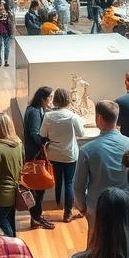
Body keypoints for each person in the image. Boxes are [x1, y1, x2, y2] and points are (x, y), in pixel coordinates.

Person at [74, 101, 129, 230]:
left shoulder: (87, 149)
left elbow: (79, 184)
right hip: (127, 204)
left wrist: (82, 206)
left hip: (97, 206)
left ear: (99, 118)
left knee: (97, 244)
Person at [40, 87, 85, 222]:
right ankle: (67, 213)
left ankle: (57, 200)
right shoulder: (72, 116)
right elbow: (81, 133)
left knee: (58, 179)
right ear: (68, 100)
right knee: (69, 182)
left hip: (54, 153)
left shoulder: (48, 115)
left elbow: (42, 134)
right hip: (70, 154)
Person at [23, 86, 56, 230]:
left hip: (35, 154)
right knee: (37, 186)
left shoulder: (36, 110)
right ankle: (35, 217)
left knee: (38, 186)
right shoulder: (34, 112)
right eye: (49, 98)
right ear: (43, 98)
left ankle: (36, 216)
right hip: (35, 155)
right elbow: (36, 135)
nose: (50, 101)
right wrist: (46, 141)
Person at [0, 0, 15, 66]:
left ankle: (6, 60)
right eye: (0, 5)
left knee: (6, 47)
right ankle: (0, 60)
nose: (1, 7)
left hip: (6, 32)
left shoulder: (8, 14)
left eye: (2, 5)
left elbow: (11, 24)